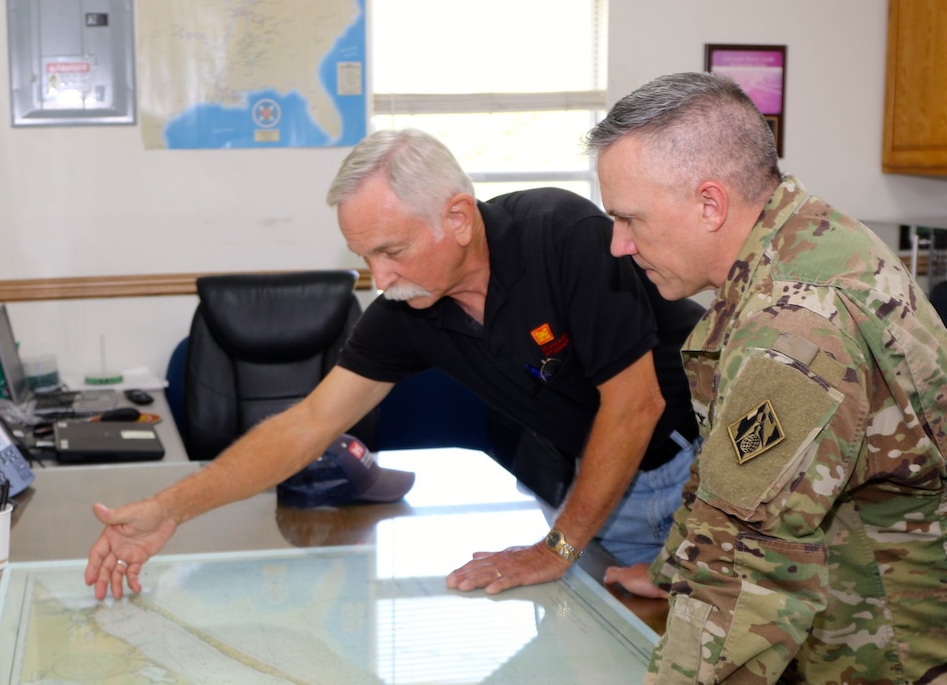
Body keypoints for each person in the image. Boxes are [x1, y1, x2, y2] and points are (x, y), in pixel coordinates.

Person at [85, 128, 704, 602]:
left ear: (458, 219)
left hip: (709, 468)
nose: (380, 280)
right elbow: (305, 426)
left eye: (392, 251)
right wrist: (170, 508)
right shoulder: (409, 307)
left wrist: (557, 546)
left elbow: (635, 404)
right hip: (607, 480)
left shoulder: (559, 233)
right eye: (366, 259)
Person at [586, 71, 947, 684]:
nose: (619, 245)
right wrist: (674, 566)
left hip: (887, 655)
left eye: (629, 219)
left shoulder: (797, 333)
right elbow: (731, 466)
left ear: (709, 204)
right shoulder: (796, 236)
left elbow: (741, 571)